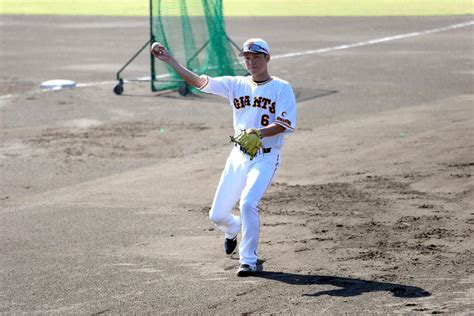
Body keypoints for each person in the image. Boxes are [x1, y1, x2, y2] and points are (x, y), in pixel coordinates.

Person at [151, 38, 297, 277]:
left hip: (266, 158)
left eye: (256, 57)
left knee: (248, 203)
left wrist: (257, 133)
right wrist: (170, 61)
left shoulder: (282, 88)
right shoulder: (235, 84)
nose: (251, 62)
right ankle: (233, 228)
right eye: (247, 58)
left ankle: (248, 260)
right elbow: (199, 82)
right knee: (217, 215)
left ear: (267, 58)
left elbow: (283, 124)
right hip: (238, 156)